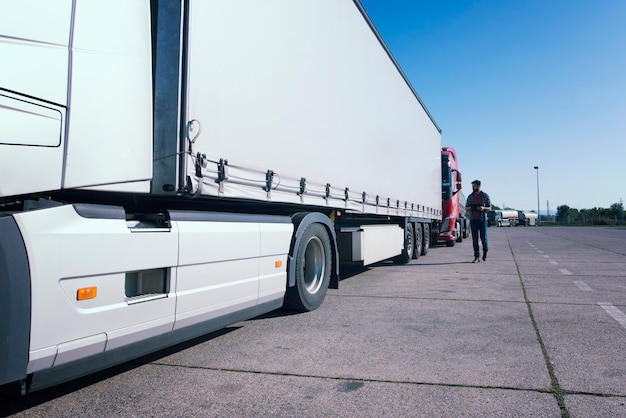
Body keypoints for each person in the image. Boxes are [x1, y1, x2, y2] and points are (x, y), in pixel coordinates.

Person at [466, 180, 491, 263]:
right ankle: (476, 256)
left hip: (482, 220)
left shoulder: (485, 196)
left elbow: (490, 208)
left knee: (484, 238)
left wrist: (483, 209)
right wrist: (473, 208)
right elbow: (466, 208)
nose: (473, 187)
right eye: (472, 186)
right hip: (473, 220)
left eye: (474, 186)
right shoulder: (470, 196)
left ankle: (485, 251)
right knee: (474, 239)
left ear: (479, 186)